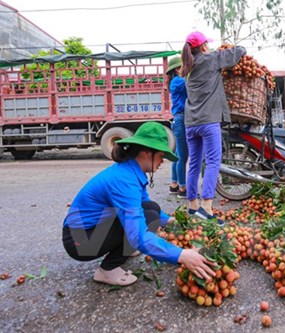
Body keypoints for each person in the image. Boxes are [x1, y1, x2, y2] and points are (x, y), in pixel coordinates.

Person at [62, 122, 216, 286]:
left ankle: (124, 249)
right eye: (160, 156)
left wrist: (172, 221)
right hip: (81, 242)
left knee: (152, 209)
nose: (162, 161)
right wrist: (182, 255)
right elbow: (138, 235)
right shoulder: (124, 180)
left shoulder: (130, 171)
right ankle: (107, 270)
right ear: (146, 153)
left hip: (91, 230)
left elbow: (145, 205)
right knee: (148, 219)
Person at [181, 31, 246, 223]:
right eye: (206, 44)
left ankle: (192, 205)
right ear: (202, 47)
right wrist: (239, 48)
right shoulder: (210, 59)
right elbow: (238, 52)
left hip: (191, 123)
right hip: (208, 121)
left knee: (194, 163)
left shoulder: (188, 68)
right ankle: (207, 207)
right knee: (212, 162)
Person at [166, 56, 189, 198]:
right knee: (182, 156)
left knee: (177, 155)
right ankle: (182, 188)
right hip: (181, 119)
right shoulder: (177, 81)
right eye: (183, 66)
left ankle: (174, 185)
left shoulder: (175, 81)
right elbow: (190, 81)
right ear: (177, 68)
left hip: (179, 119)